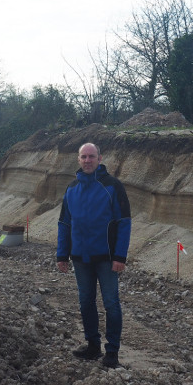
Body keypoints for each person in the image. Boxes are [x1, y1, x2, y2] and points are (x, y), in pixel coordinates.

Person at [56, 142, 131, 368]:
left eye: (91, 156)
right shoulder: (71, 189)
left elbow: (124, 223)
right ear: (78, 160)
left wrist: (120, 256)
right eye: (83, 157)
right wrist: (62, 255)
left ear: (100, 158)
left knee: (111, 303)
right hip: (80, 257)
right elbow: (64, 223)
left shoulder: (112, 186)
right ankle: (92, 346)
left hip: (107, 258)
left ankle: (112, 353)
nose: (87, 160)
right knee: (85, 302)